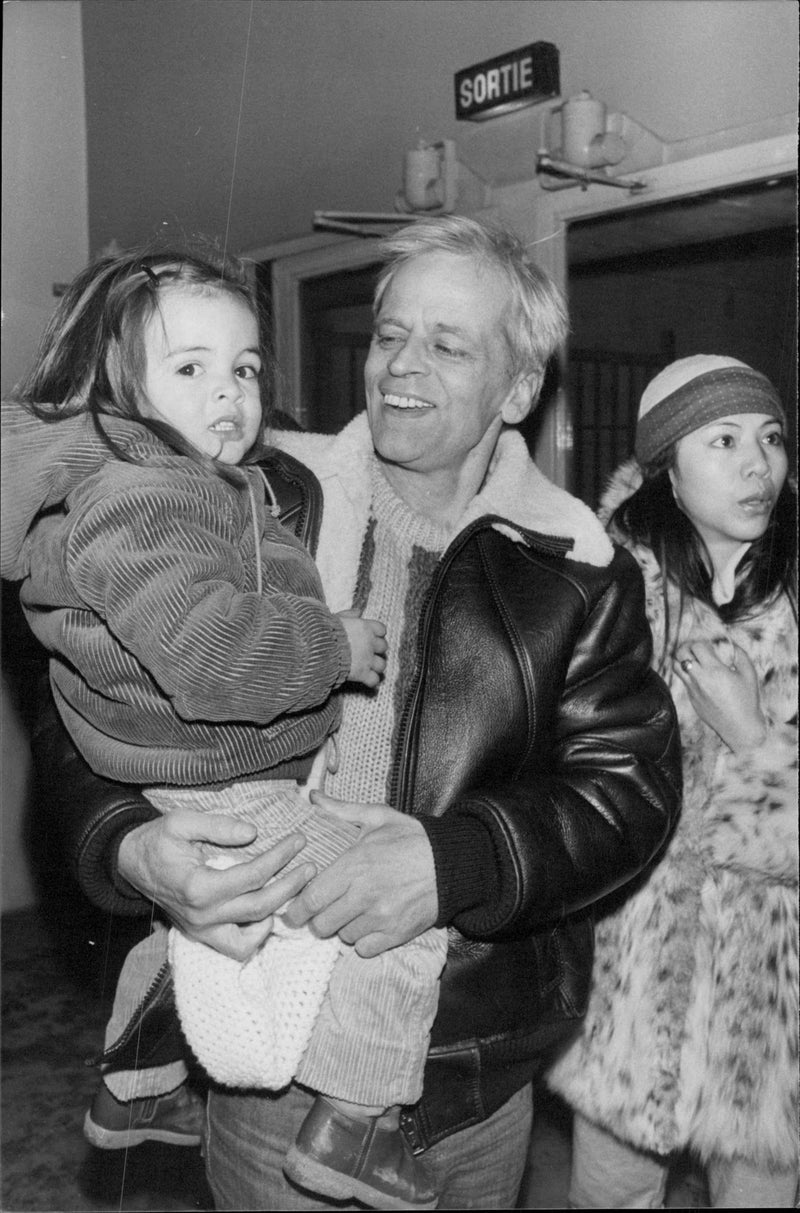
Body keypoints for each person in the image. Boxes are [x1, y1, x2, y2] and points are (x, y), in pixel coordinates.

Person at [16, 216, 682, 1210]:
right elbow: (82, 708)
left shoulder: (579, 570)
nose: (399, 364)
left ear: (517, 389)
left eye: (446, 343)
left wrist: (450, 861)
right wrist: (127, 848)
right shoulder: (251, 494)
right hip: (269, 1068)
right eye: (388, 334)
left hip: (472, 1069)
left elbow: (628, 792)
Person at [0, 245, 460, 1212]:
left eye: (245, 368)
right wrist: (331, 644)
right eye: (190, 368)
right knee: (405, 923)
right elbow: (212, 655)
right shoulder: (145, 495)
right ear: (120, 391)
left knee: (212, 931)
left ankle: (140, 1088)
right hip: (220, 770)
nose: (230, 395)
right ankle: (358, 1123)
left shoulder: (197, 482)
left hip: (201, 770)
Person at [547, 354, 799, 1209]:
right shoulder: (610, 597)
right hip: (629, 994)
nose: (757, 463)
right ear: (666, 469)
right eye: (722, 440)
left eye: (770, 437)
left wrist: (755, 739)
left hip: (771, 1017)